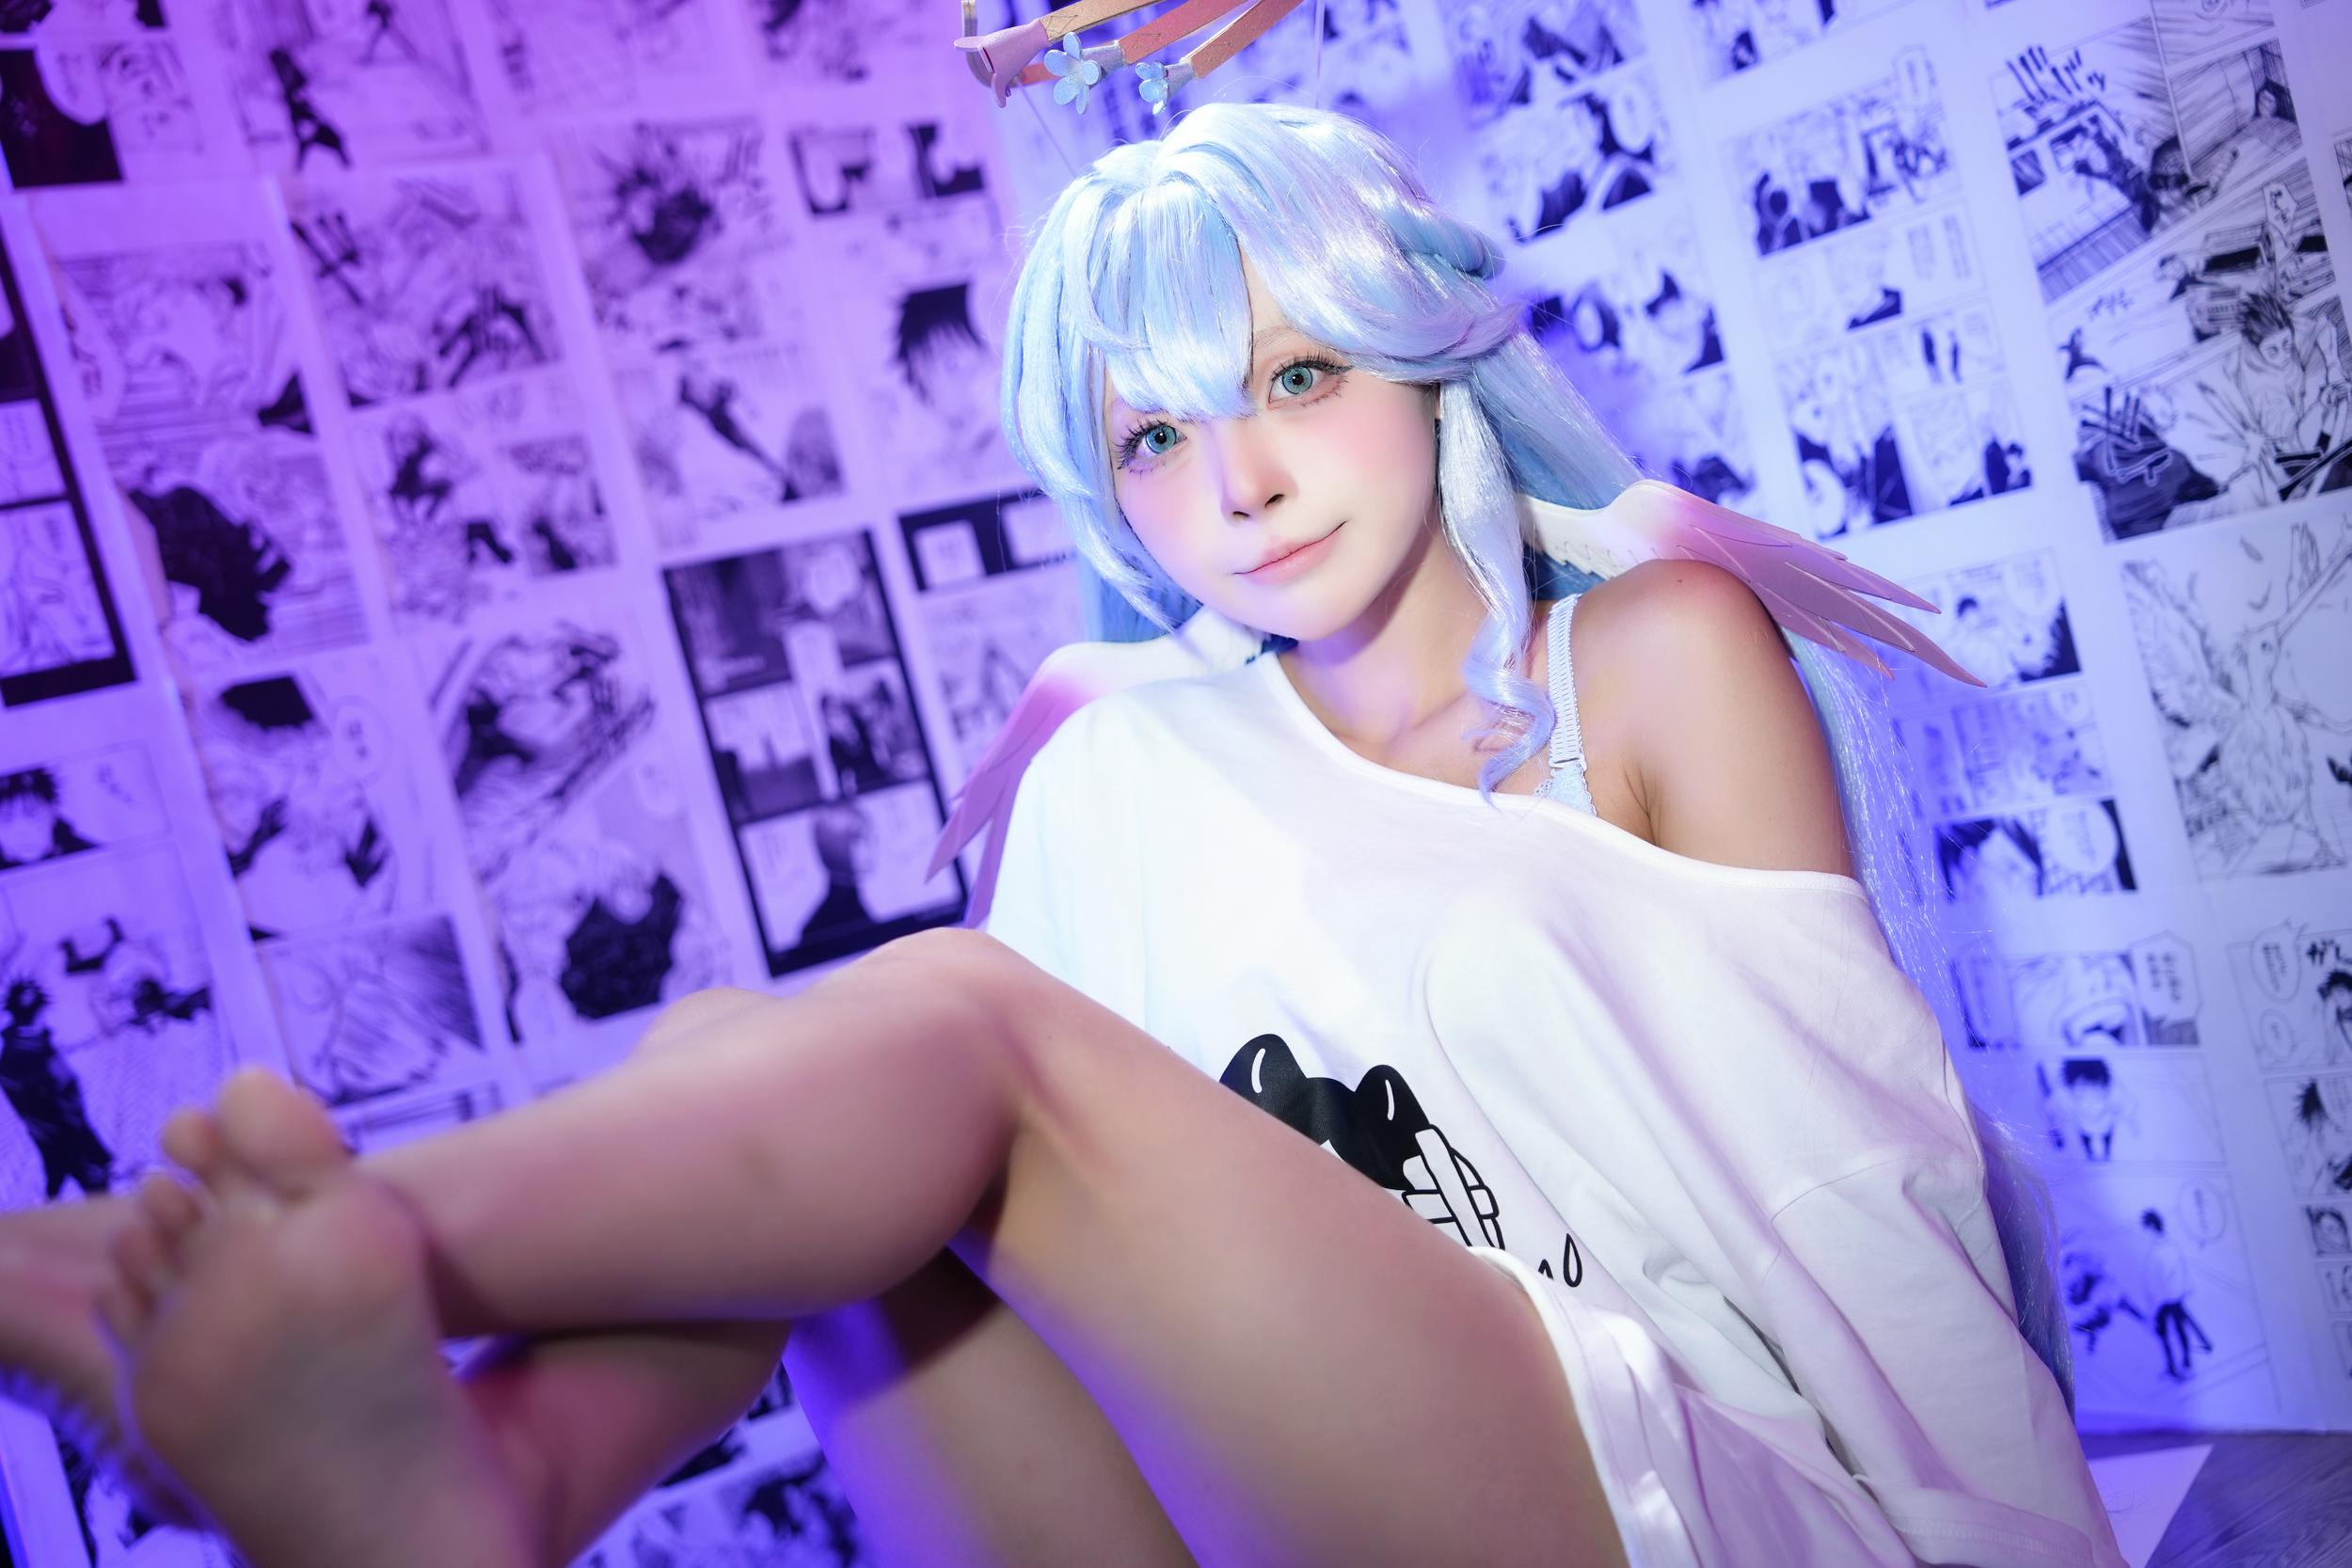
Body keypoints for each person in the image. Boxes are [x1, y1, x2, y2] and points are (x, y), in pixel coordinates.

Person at [0, 103, 2120, 1568]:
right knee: (767, 1074)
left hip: (1696, 1499)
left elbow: (1845, 1162)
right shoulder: (1126, 763)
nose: (1242, 482)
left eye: (1297, 378)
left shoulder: (1647, 653)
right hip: (1272, 1506)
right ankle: (479, 1496)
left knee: (953, 1027)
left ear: (1416, 355)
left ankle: (319, 1251)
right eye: (1160, 435)